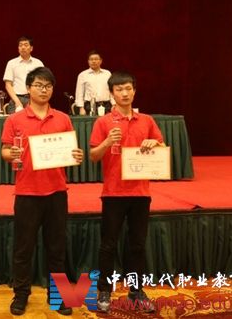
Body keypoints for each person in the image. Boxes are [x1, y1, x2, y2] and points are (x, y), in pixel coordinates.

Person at [0, 67, 83, 316]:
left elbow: (71, 150)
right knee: (23, 249)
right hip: (27, 192)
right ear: (28, 88)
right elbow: (5, 151)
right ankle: (21, 295)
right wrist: (11, 154)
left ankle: (57, 297)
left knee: (57, 248)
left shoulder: (63, 119)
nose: (43, 90)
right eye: (38, 85)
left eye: (48, 86)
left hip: (57, 192)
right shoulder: (14, 120)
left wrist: (76, 155)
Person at [89, 71, 164, 314]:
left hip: (141, 193)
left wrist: (155, 144)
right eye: (119, 89)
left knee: (137, 246)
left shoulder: (147, 121)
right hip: (113, 193)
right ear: (111, 94)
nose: (124, 93)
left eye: (128, 88)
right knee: (108, 245)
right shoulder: (103, 122)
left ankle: (136, 291)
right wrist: (107, 142)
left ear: (134, 91)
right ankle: (104, 290)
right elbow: (93, 156)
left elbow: (162, 148)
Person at [3, 36, 44, 114]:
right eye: (20, 45)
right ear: (18, 48)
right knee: (15, 121)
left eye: (26, 45)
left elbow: (43, 83)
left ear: (31, 48)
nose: (23, 47)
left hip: (34, 99)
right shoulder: (11, 63)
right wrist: (17, 102)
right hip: (17, 98)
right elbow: (8, 85)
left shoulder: (38, 63)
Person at [74, 50, 113, 116]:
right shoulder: (83, 75)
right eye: (91, 59)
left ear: (101, 61)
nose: (93, 61)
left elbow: (111, 91)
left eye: (96, 59)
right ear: (88, 61)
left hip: (106, 105)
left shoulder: (107, 73)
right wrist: (81, 108)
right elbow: (79, 93)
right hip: (89, 106)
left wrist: (114, 104)